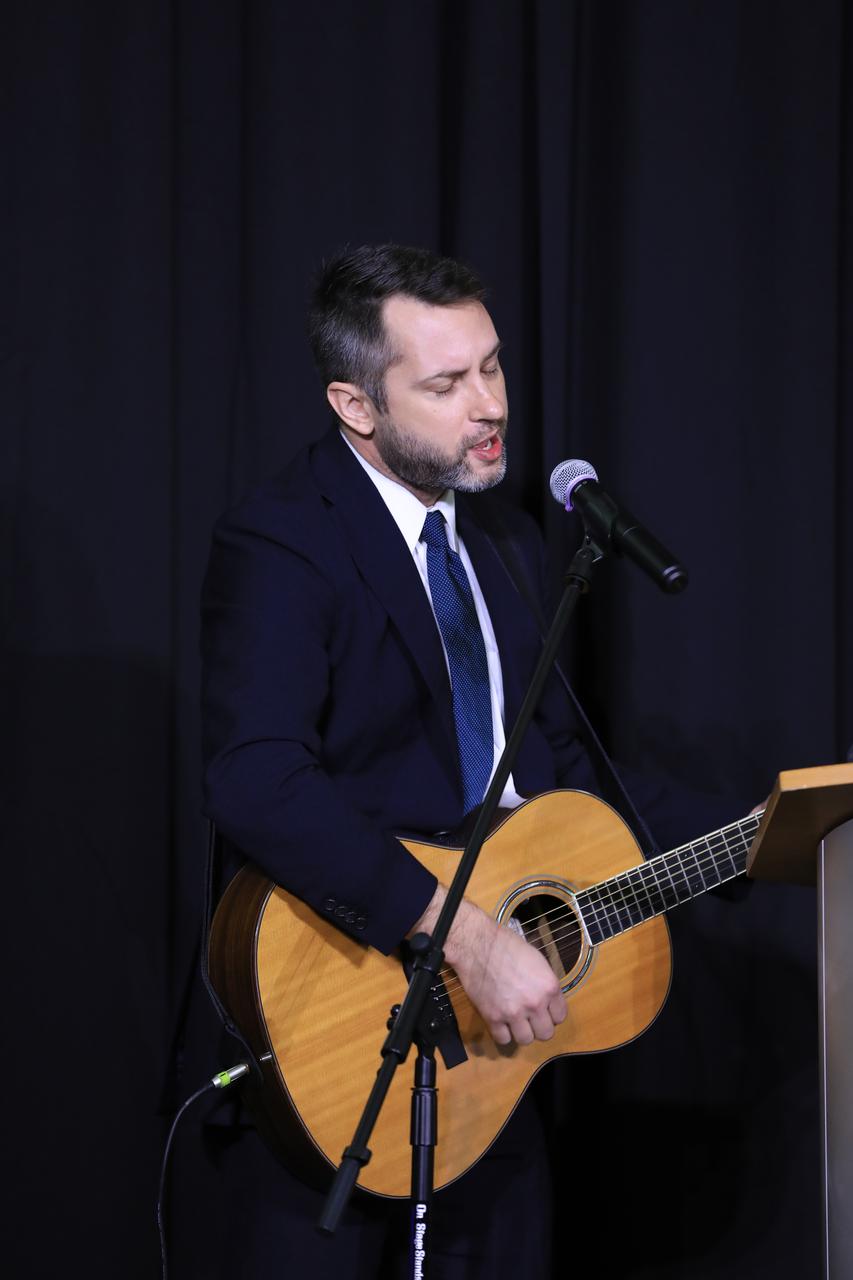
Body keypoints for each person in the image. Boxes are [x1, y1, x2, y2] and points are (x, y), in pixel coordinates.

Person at [196, 244, 729, 1277]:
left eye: (490, 367)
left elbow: (560, 770)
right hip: (350, 1042)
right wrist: (463, 935)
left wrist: (760, 828)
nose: (489, 405)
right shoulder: (280, 541)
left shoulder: (509, 542)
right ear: (355, 403)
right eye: (445, 383)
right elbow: (255, 777)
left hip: (494, 1064)